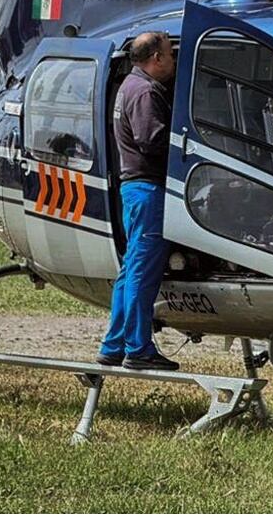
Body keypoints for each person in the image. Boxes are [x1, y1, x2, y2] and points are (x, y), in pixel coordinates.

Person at [97, 31, 179, 371]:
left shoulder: (128, 86)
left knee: (131, 268)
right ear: (156, 58)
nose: (173, 61)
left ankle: (113, 344)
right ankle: (138, 348)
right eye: (170, 54)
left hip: (134, 190)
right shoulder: (145, 91)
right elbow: (152, 141)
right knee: (142, 272)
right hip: (148, 191)